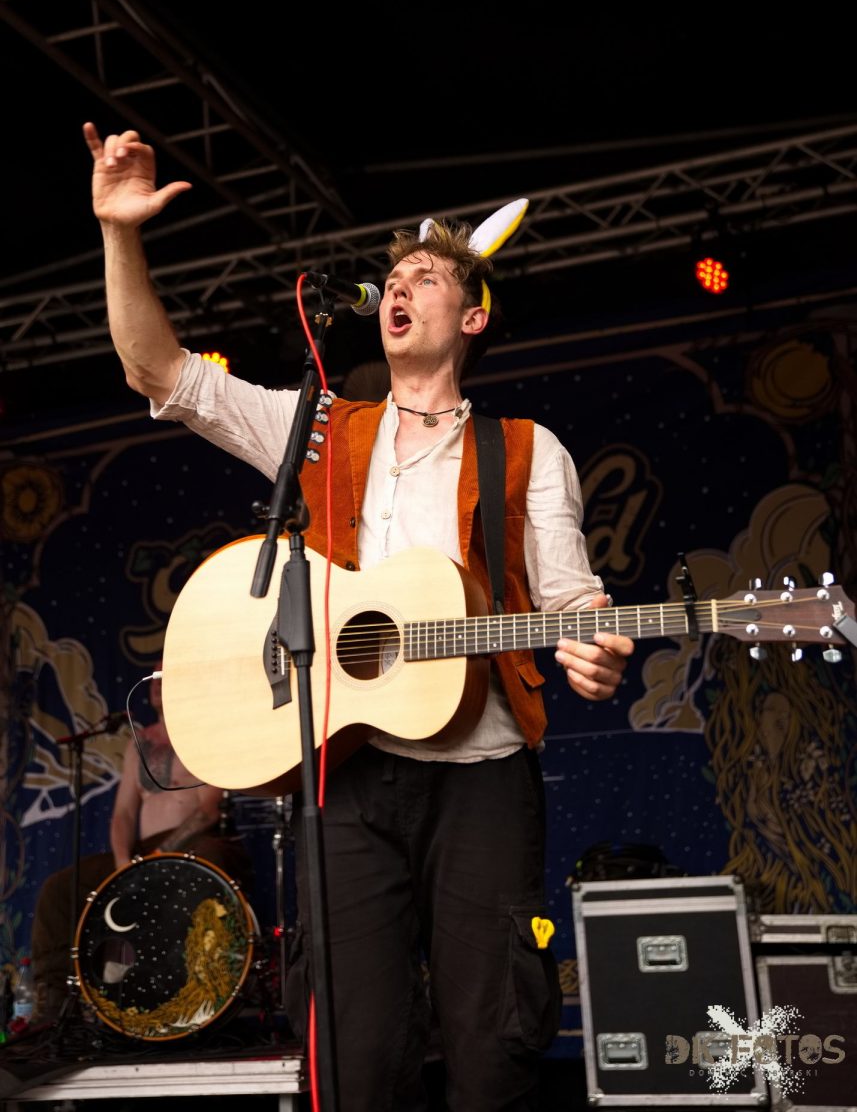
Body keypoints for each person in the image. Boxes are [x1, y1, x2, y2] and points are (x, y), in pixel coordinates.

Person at [83, 121, 634, 1111]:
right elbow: (157, 371)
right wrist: (120, 231)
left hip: (481, 778)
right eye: (394, 277)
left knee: (492, 1048)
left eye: (426, 277)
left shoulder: (524, 447)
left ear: (471, 316)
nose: (399, 287)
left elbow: (569, 600)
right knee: (352, 1053)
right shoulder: (319, 427)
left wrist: (591, 644)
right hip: (346, 772)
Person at [30, 667, 252, 1023]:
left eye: (168, 672)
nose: (158, 682)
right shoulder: (140, 742)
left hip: (195, 842)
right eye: (155, 676)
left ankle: (200, 992)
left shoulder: (206, 733)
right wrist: (123, 863)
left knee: (209, 856)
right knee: (59, 889)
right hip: (142, 852)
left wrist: (161, 857)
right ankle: (53, 1005)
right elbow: (123, 813)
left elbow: (209, 809)